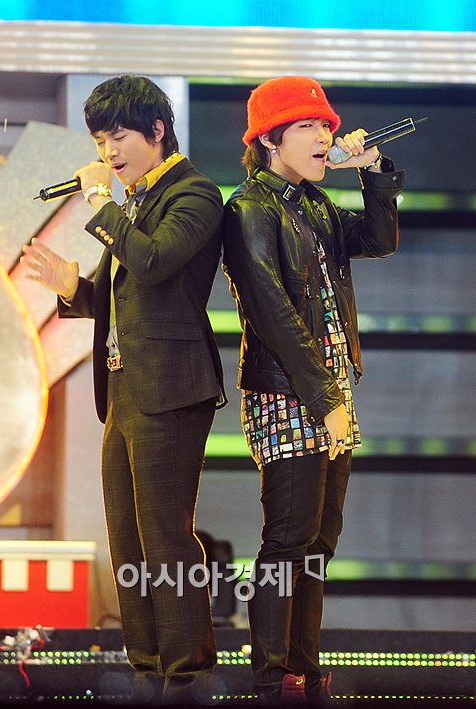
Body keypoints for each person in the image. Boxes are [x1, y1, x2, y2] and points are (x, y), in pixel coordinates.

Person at [21, 75, 225, 705]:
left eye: (117, 137)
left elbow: (156, 263)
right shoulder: (134, 200)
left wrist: (99, 202)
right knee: (127, 538)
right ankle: (146, 666)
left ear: (157, 130)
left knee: (165, 534)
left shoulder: (194, 193)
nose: (107, 151)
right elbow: (129, 297)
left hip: (172, 387)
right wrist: (72, 289)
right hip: (125, 387)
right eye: (99, 141)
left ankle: (186, 673)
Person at [222, 76, 404, 703]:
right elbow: (271, 313)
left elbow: (379, 239)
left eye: (327, 125)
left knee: (321, 541)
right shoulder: (249, 209)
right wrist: (325, 401)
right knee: (288, 538)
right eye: (308, 126)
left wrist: (372, 171)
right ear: (271, 139)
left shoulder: (315, 204)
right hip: (287, 392)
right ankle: (271, 678)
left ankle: (304, 669)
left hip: (330, 389)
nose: (325, 135)